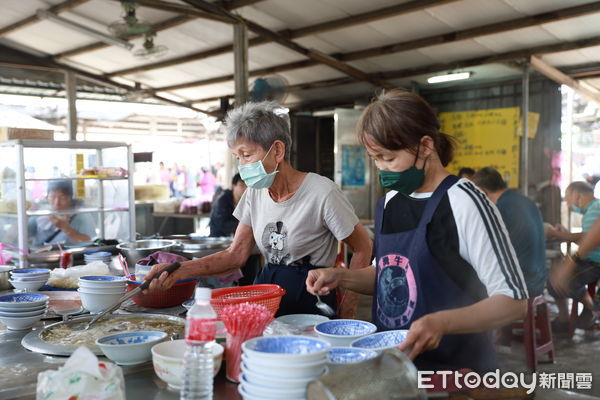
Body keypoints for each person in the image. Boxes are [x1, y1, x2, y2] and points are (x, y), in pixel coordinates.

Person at [306, 90, 527, 373]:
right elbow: (388, 274)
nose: (381, 170)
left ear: (425, 146)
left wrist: (441, 322)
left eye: (388, 158)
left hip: (455, 372)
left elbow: (514, 301)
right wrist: (342, 276)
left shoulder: (463, 200)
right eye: (375, 159)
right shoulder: (389, 203)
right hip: (396, 368)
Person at [146, 101, 372, 316]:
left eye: (246, 155)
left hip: (312, 295)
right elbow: (235, 255)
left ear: (277, 151)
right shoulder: (254, 193)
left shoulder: (323, 192)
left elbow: (363, 247)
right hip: (267, 290)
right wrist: (179, 270)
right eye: (237, 157)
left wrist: (348, 308)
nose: (242, 165)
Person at [472, 167, 547, 297]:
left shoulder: (500, 209)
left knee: (468, 286)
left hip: (521, 284)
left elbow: (487, 249)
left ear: (482, 191)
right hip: (539, 279)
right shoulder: (526, 201)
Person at [547, 181, 600, 331]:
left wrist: (557, 234)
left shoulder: (595, 208)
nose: (569, 205)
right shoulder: (592, 210)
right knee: (555, 277)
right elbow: (587, 239)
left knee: (560, 279)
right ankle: (567, 317)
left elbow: (589, 237)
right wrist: (564, 233)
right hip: (591, 260)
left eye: (568, 199)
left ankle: (590, 308)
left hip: (596, 263)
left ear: (578, 196)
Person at [28, 180, 96, 246]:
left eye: (62, 197)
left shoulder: (82, 215)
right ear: (47, 197)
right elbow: (25, 234)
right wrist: (26, 214)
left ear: (71, 198)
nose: (56, 203)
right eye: (52, 197)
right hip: (42, 256)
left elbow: (91, 242)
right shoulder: (41, 213)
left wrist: (66, 228)